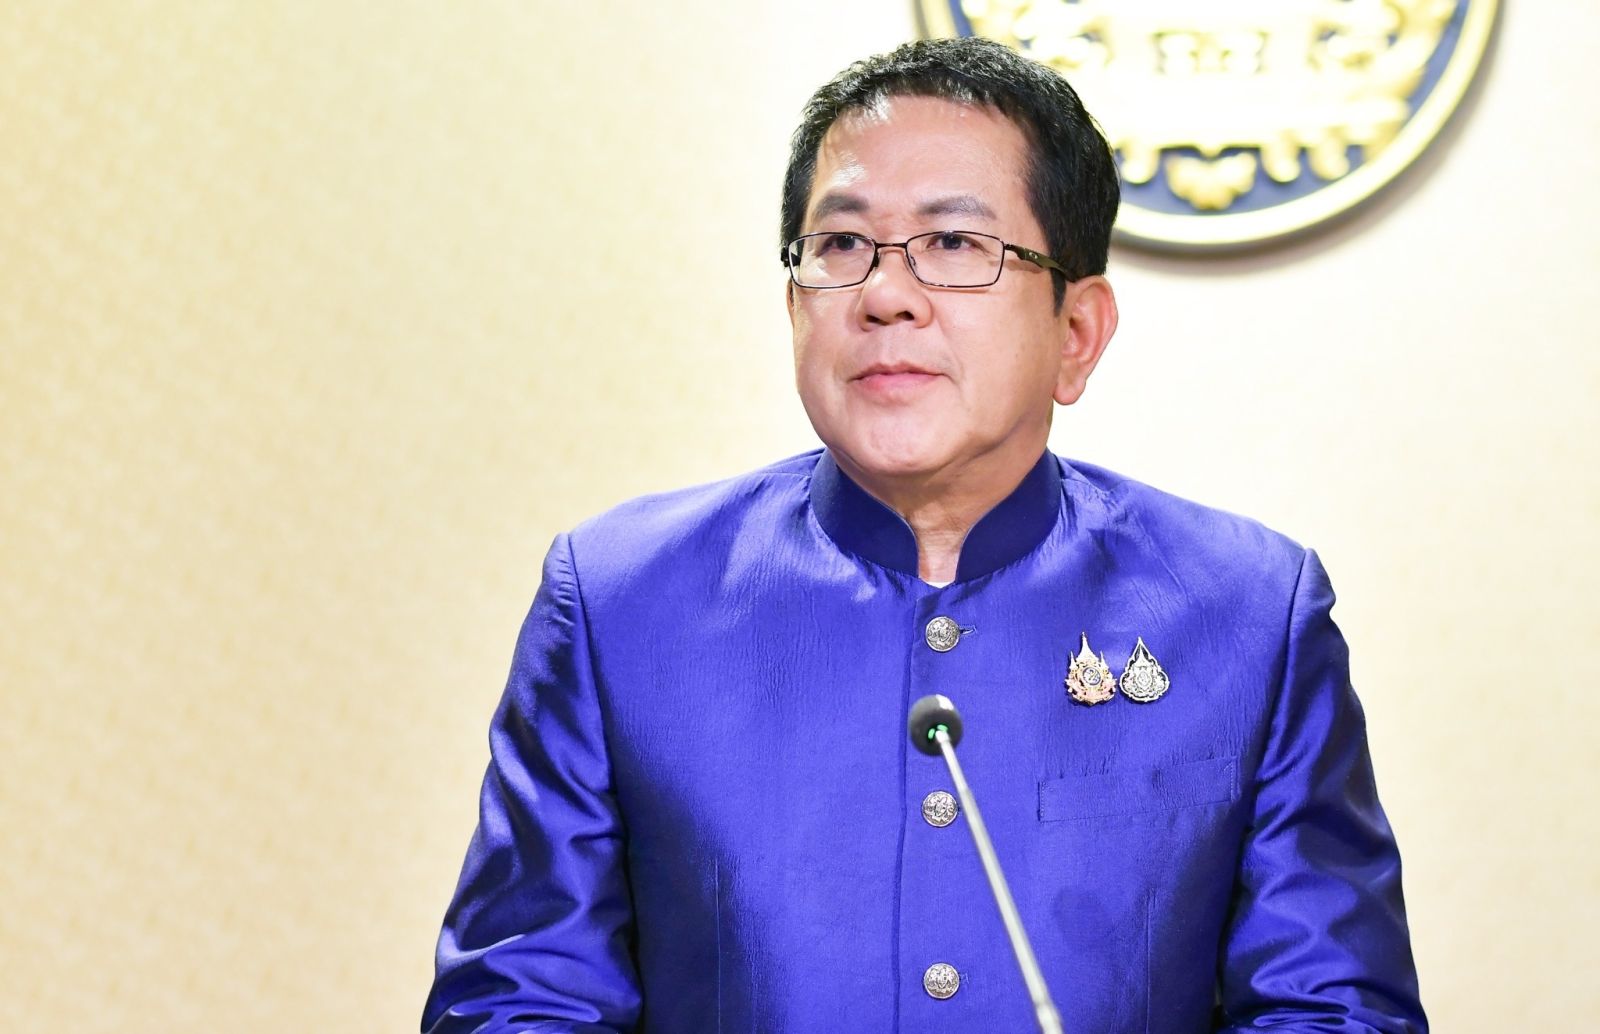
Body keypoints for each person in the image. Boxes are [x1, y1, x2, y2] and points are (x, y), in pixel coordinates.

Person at [423, 36, 1426, 1034]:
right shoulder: (619, 602)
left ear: (1076, 334)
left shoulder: (1248, 613)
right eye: (841, 245)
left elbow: (1334, 1011)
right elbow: (518, 1004)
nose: (885, 295)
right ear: (793, 304)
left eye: (953, 244)